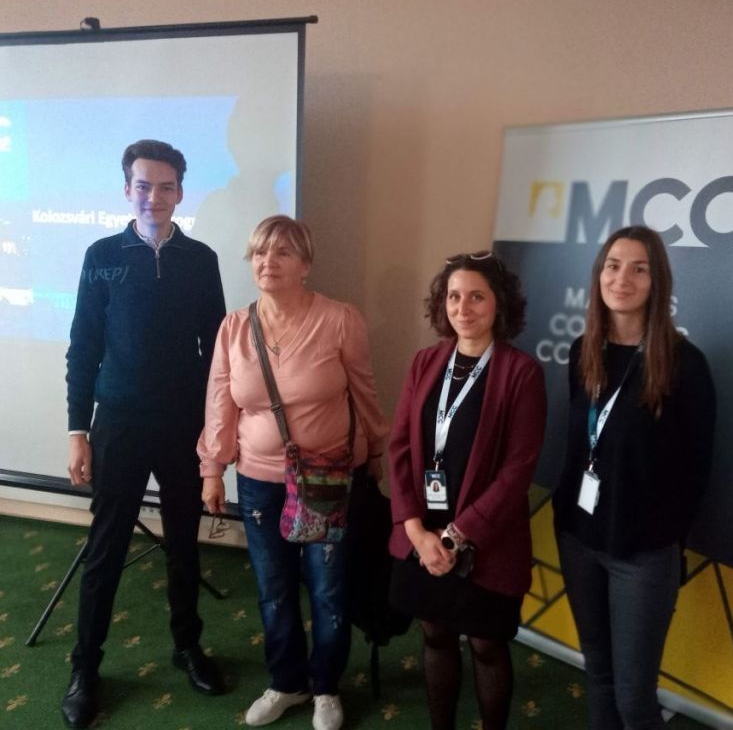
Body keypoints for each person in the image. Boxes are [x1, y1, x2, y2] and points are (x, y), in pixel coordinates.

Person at [198, 215, 388, 730]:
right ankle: (287, 682)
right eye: (260, 252)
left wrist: (377, 452)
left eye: (282, 252)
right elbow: (220, 402)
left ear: (305, 264)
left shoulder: (340, 320)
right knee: (273, 587)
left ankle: (325, 686)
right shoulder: (234, 327)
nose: (268, 262)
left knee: (327, 588)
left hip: (328, 480)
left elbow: (365, 391)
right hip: (258, 481)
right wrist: (212, 469)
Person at [62, 140, 227, 728]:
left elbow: (218, 355)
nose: (153, 196)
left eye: (165, 186)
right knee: (105, 549)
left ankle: (188, 645)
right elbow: (84, 346)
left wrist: (214, 434)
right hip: (119, 424)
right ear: (126, 189)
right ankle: (86, 667)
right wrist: (78, 430)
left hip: (183, 426)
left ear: (180, 192)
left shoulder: (201, 259)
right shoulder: (102, 255)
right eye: (142, 185)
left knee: (183, 543)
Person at [552, 226, 716, 730]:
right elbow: (581, 445)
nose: (622, 278)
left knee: (634, 700)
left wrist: (666, 540)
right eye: (613, 265)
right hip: (579, 540)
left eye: (638, 269)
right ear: (599, 274)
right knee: (598, 676)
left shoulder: (685, 365)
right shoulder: (583, 350)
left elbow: (697, 469)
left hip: (642, 554)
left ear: (656, 281)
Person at [388, 252, 547, 730]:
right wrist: (416, 532)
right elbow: (399, 448)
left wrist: (456, 537)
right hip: (423, 534)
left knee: (486, 645)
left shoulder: (521, 373)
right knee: (435, 635)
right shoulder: (425, 362)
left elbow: (518, 470)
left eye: (477, 296)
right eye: (454, 296)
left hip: (487, 541)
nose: (463, 307)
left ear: (500, 304)